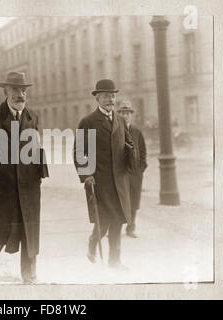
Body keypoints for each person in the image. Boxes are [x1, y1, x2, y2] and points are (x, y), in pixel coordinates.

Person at [0, 71, 48, 284]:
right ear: (6, 91)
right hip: (1, 183)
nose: (20, 95)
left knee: (30, 229)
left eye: (23, 90)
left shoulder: (33, 116)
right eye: (15, 90)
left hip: (29, 184)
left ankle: (29, 274)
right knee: (3, 227)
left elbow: (36, 147)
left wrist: (41, 171)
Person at [73, 79, 135, 270]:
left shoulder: (119, 120)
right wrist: (86, 176)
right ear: (97, 98)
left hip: (119, 181)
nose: (111, 99)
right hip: (99, 181)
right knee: (105, 220)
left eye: (113, 95)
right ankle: (93, 241)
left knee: (118, 220)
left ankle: (114, 261)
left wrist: (131, 153)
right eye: (106, 96)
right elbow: (78, 151)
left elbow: (130, 143)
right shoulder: (88, 122)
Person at [117, 101, 147, 238]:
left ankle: (131, 228)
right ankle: (114, 228)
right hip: (120, 173)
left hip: (135, 173)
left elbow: (143, 151)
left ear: (131, 115)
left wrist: (140, 168)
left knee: (134, 201)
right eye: (122, 113)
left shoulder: (137, 131)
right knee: (118, 200)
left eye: (128, 113)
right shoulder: (115, 131)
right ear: (119, 115)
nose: (125, 115)